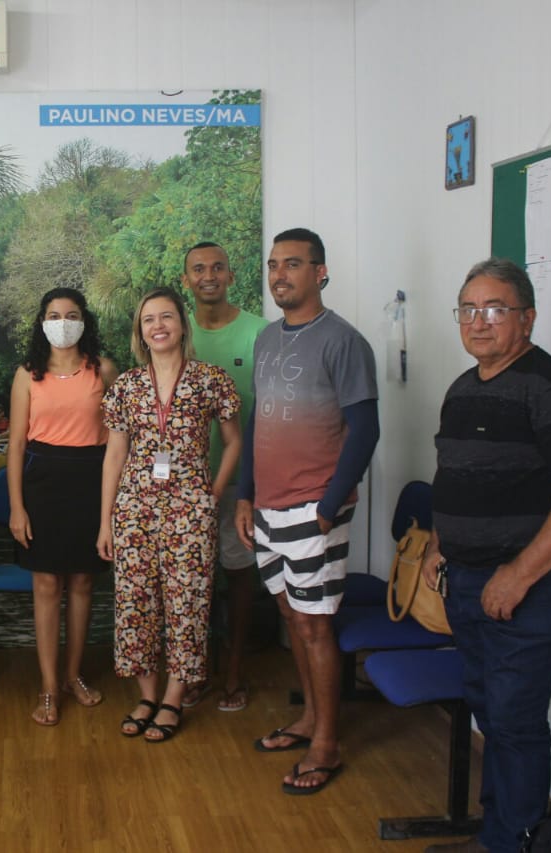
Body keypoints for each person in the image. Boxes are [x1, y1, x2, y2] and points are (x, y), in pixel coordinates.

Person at [420, 259, 551, 853]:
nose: (479, 322)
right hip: (469, 581)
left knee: (514, 723)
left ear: (527, 318)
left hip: (530, 590)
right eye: (468, 309)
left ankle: (511, 843)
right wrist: (436, 544)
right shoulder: (463, 388)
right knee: (491, 716)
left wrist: (519, 575)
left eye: (495, 309)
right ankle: (497, 834)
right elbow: (453, 475)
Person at [235, 228, 379, 795]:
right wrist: (245, 492)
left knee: (315, 625)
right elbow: (256, 422)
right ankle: (310, 719)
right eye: (274, 264)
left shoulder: (344, 342)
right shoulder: (270, 339)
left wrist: (328, 505)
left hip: (313, 506)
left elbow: (365, 430)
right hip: (267, 506)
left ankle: (327, 744)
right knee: (292, 617)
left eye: (292, 264)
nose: (280, 275)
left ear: (320, 272)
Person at [98, 287, 241, 742]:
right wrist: (106, 521)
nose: (157, 326)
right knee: (136, 604)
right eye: (148, 320)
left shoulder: (210, 380)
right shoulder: (126, 386)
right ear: (140, 332)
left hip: (190, 511)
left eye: (166, 317)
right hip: (134, 509)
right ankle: (146, 694)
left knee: (188, 605)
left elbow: (235, 440)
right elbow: (114, 455)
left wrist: (212, 492)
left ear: (182, 324)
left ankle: (175, 697)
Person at [6, 287, 118, 726]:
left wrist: (111, 509)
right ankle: (49, 687)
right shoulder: (27, 374)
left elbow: (120, 440)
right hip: (42, 484)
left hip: (92, 481)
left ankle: (74, 677)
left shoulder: (104, 370)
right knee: (47, 585)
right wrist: (17, 507)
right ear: (42, 321)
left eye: (71, 314)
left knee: (83, 584)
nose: (63, 322)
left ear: (84, 321)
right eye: (54, 314)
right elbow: (15, 444)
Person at [184, 241, 269, 712]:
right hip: (185, 484)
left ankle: (234, 672)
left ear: (231, 275)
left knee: (238, 578)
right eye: (199, 269)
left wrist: (253, 486)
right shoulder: (176, 332)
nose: (209, 275)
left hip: (242, 484)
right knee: (191, 582)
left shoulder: (260, 332)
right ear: (187, 280)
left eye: (218, 267)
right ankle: (193, 673)